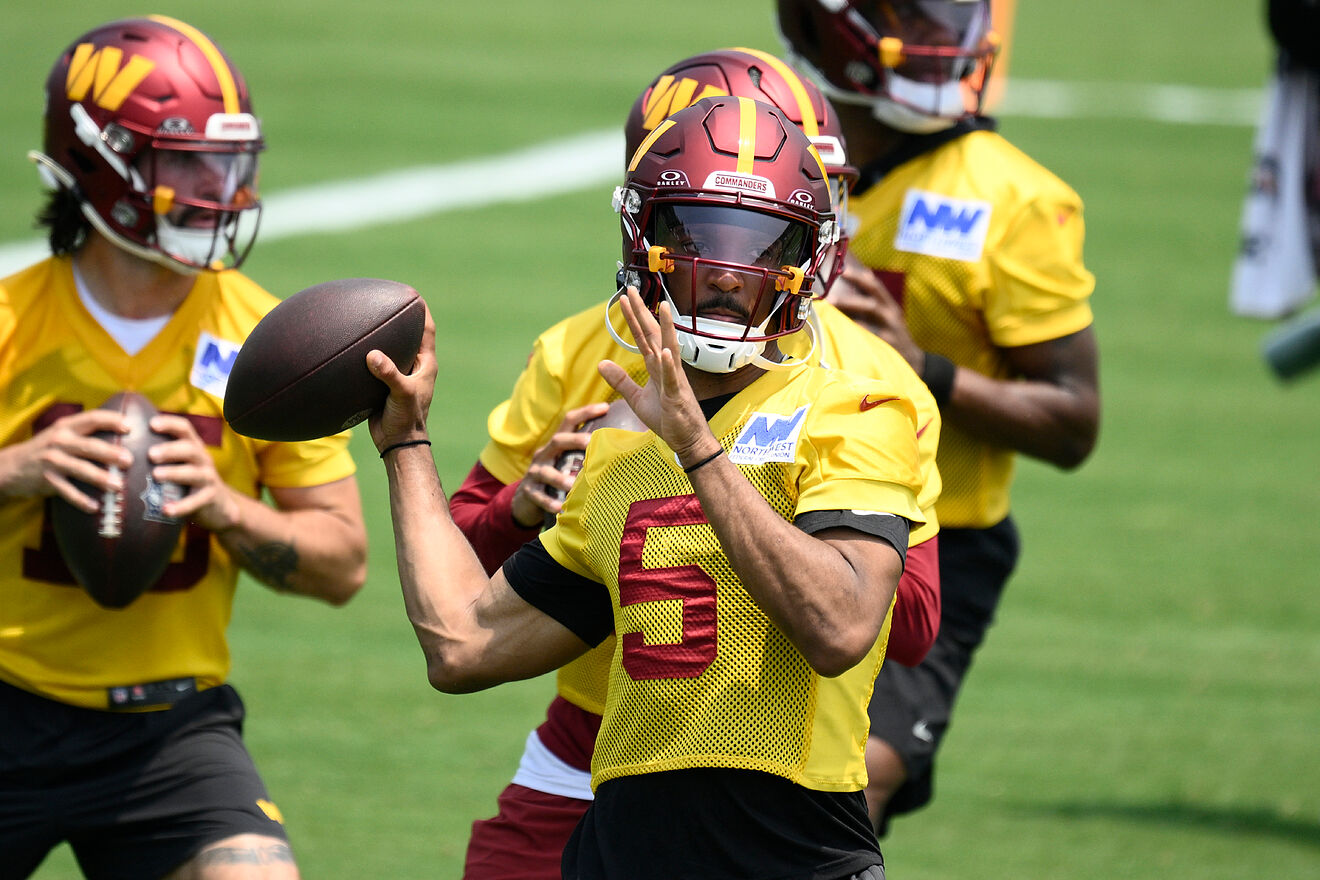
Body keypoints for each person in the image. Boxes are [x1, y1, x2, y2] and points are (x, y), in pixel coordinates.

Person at [372, 95, 923, 880]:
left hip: (795, 854)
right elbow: (461, 646)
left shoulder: (863, 408)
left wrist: (698, 450)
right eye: (698, 236)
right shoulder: (617, 455)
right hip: (623, 854)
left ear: (808, 260)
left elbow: (840, 626)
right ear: (643, 239)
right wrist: (406, 442)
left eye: (763, 246)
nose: (730, 273)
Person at [0, 16, 367, 878]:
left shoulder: (265, 337)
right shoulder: (10, 323)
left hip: (170, 727)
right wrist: (16, 472)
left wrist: (224, 507)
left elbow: (343, 563)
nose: (219, 190)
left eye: (229, 163)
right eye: (186, 163)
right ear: (99, 163)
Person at [777, 0, 1101, 835]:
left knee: (858, 774)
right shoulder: (759, 146)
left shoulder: (1017, 200)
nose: (935, 28)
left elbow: (1073, 421)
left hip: (936, 537)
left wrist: (920, 368)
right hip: (763, 510)